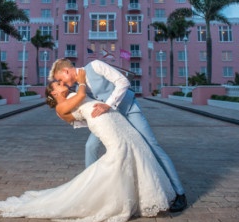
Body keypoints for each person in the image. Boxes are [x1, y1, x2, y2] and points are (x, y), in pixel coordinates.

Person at [0, 69, 176, 222]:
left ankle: (141, 195)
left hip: (112, 117)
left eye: (60, 81)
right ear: (53, 93)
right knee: (119, 153)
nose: (61, 83)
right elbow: (81, 96)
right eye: (57, 84)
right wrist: (80, 81)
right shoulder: (60, 107)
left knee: (134, 146)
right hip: (103, 123)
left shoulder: (68, 97)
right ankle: (109, 197)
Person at [49, 58, 187, 212]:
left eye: (61, 79)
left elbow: (123, 82)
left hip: (128, 110)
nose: (64, 83)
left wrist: (108, 104)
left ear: (66, 71)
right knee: (90, 146)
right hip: (111, 120)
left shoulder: (95, 66)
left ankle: (180, 193)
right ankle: (92, 192)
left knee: (152, 146)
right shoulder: (79, 88)